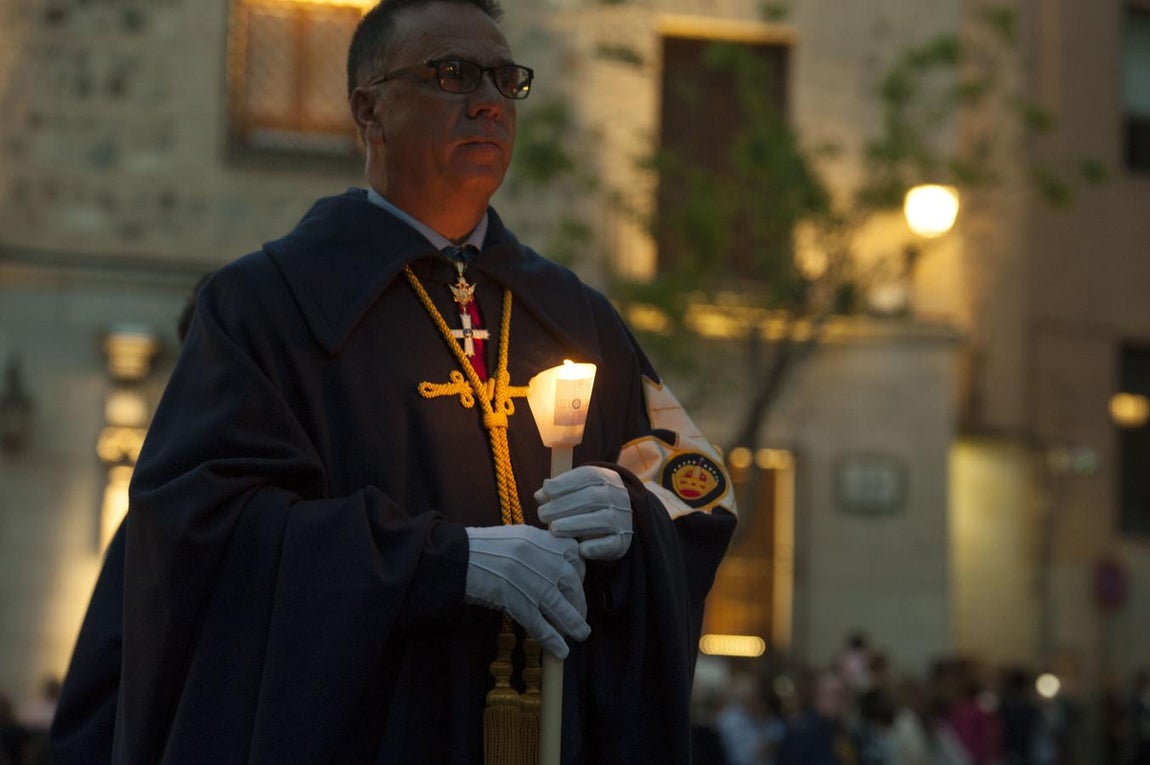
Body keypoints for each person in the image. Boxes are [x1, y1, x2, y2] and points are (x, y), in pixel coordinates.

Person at [50, 0, 737, 762]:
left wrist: (634, 509)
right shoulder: (265, 307)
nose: (488, 101)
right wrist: (444, 563)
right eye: (453, 74)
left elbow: (698, 486)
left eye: (505, 79)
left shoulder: (574, 313)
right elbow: (203, 529)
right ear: (368, 109)